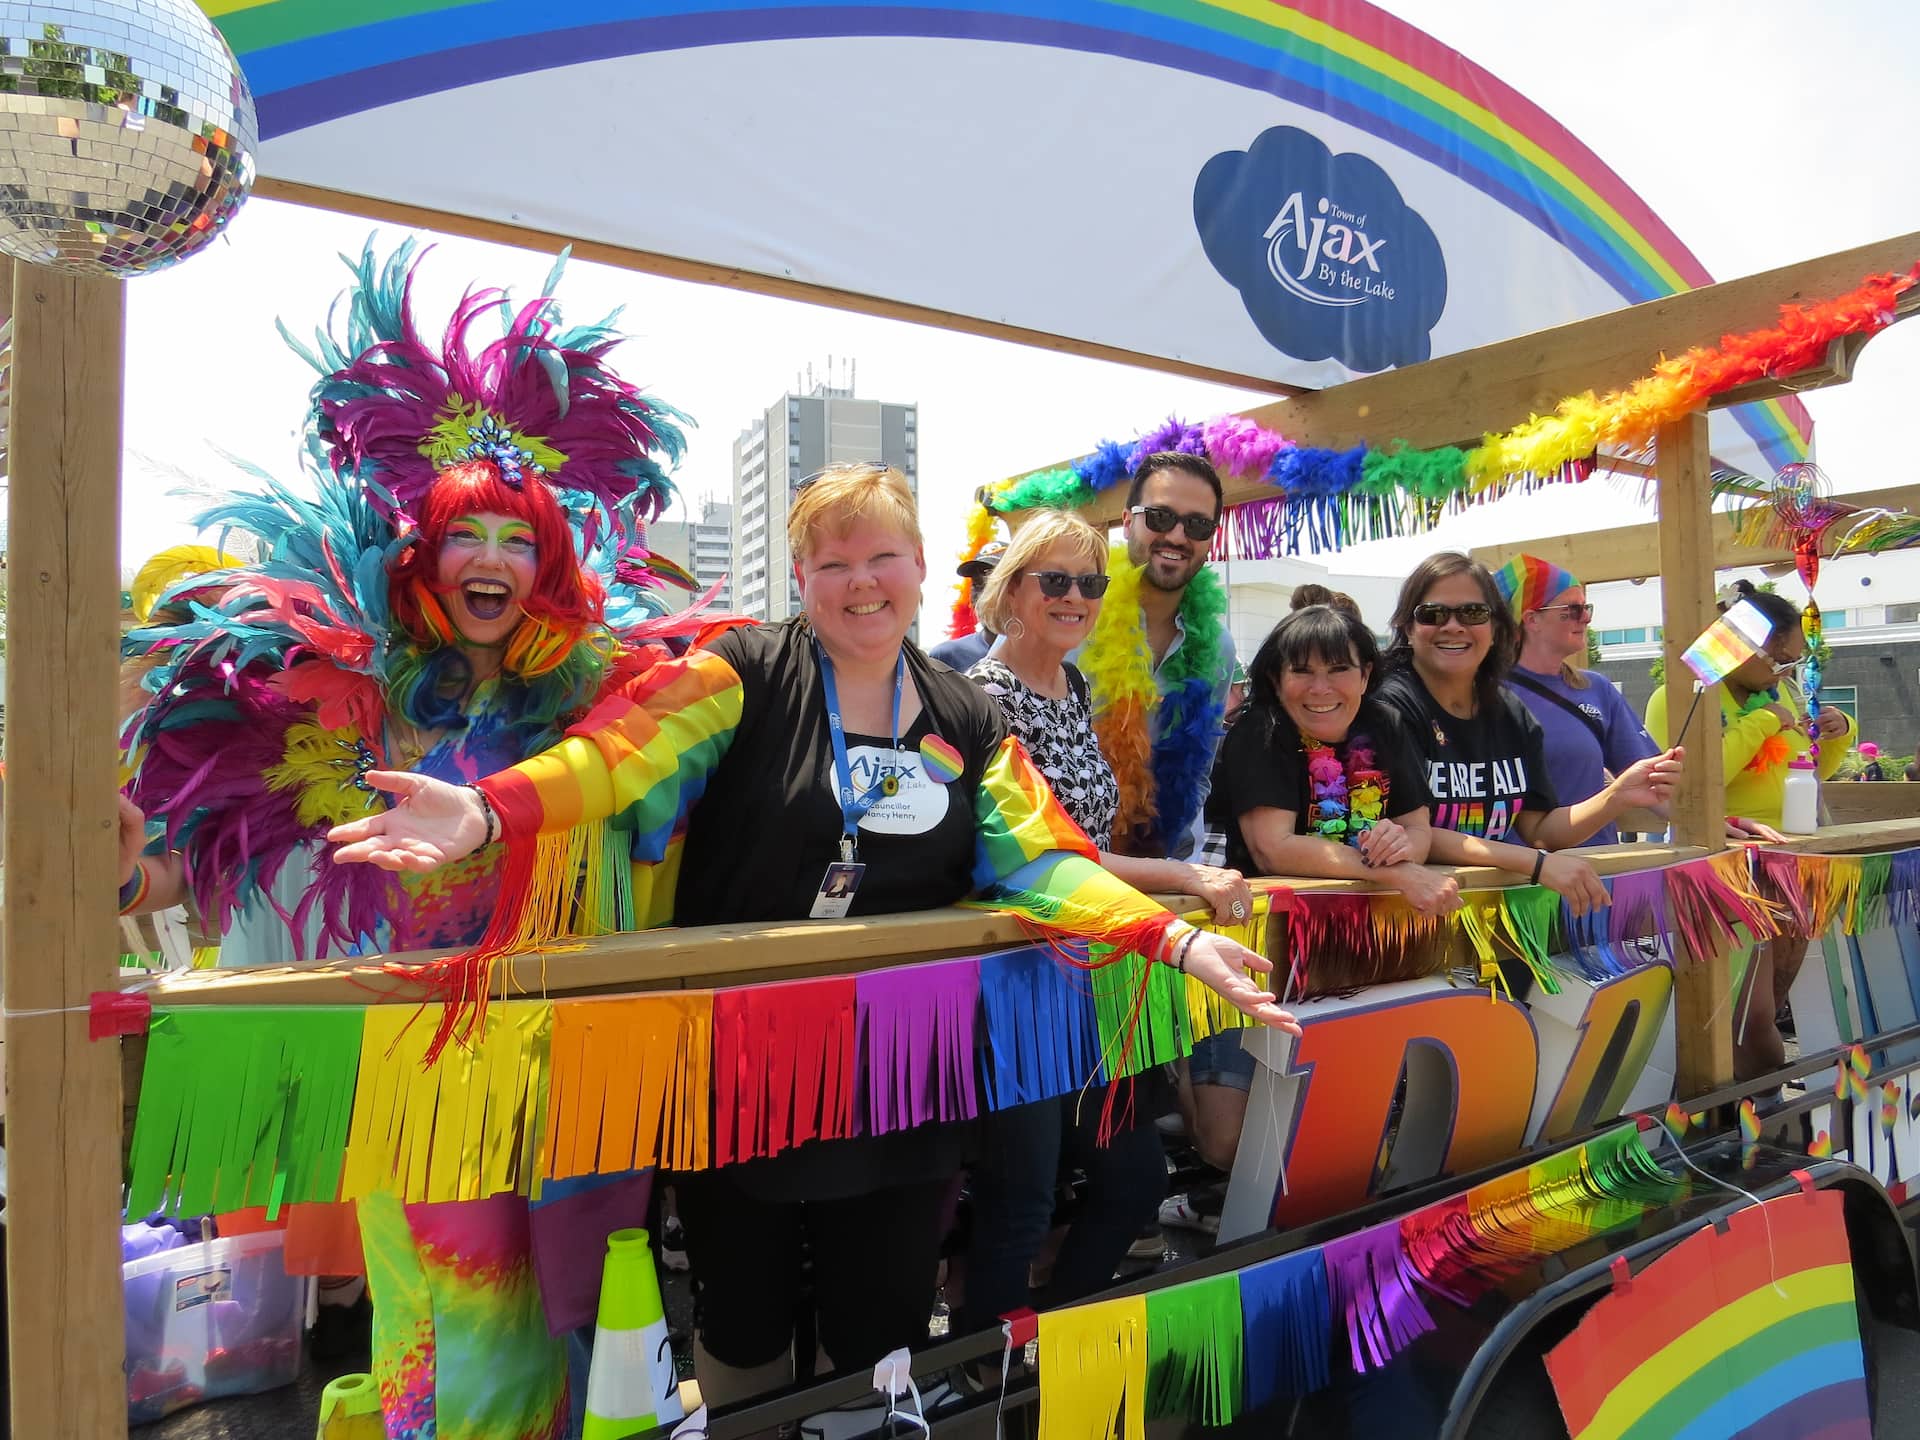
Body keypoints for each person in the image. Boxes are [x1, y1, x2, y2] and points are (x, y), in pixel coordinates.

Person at [328, 463, 1299, 1409]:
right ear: (802, 578)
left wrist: (1170, 939)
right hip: (737, 1075)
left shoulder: (968, 712)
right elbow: (615, 757)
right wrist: (489, 811)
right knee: (742, 1319)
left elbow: (1047, 860)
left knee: (877, 1321)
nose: (859, 582)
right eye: (830, 563)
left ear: (922, 567)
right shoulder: (742, 670)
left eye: (881, 557)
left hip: (906, 1077)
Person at [116, 243, 711, 1440]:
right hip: (411, 1061)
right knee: (441, 1314)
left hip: (554, 1054)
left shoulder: (606, 696)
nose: (489, 561)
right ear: (422, 558)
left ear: (551, 564)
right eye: (463, 537)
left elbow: (706, 711)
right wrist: (135, 868)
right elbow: (239, 837)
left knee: (538, 1309)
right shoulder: (365, 693)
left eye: (516, 540)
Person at [958, 509, 1253, 1332]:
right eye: (1054, 579)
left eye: (1089, 583)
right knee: (1021, 1196)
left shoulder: (1073, 685)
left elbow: (1084, 850)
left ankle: (1063, 1337)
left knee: (1131, 1181)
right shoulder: (984, 700)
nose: (1075, 597)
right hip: (1021, 977)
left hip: (1094, 975)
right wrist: (1185, 875)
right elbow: (1051, 861)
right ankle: (993, 1369)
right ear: (1010, 590)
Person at [1078, 452, 1249, 1179]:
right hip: (1064, 890)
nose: (1177, 536)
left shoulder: (1216, 645)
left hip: (1154, 892)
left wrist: (1182, 882)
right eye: (1161, 518)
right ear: (1129, 524)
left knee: (1127, 1114)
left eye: (1197, 524)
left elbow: (1198, 771)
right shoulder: (1075, 609)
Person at [1372, 553, 1683, 921]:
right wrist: (1536, 864)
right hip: (1399, 921)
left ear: (1496, 627)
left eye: (1473, 613)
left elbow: (1539, 829)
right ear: (1407, 627)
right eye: (1433, 614)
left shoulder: (1510, 712)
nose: (1453, 626)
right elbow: (1416, 832)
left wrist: (1617, 796)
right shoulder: (1387, 708)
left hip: (1493, 920)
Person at [1645, 578, 1854, 1079]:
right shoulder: (1680, 696)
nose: (1787, 671)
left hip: (1791, 870)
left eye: (1793, 663)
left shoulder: (1777, 692)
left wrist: (1840, 733)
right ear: (1742, 649)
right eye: (1781, 659)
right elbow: (1701, 779)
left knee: (1772, 999)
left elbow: (1806, 773)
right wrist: (1762, 723)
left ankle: (1747, 1108)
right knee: (1743, 1017)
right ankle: (1744, 1112)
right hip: (1727, 870)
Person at [1493, 555, 1660, 845]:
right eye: (1572, 610)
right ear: (1531, 619)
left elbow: (1653, 780)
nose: (1586, 617)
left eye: (1586, 607)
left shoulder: (1597, 689)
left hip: (1596, 872)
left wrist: (1716, 823)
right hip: (1521, 880)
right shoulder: (1486, 694)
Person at [929, 540, 1005, 670]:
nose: (983, 595)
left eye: (993, 584)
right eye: (976, 584)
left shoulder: (1043, 655)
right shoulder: (945, 657)